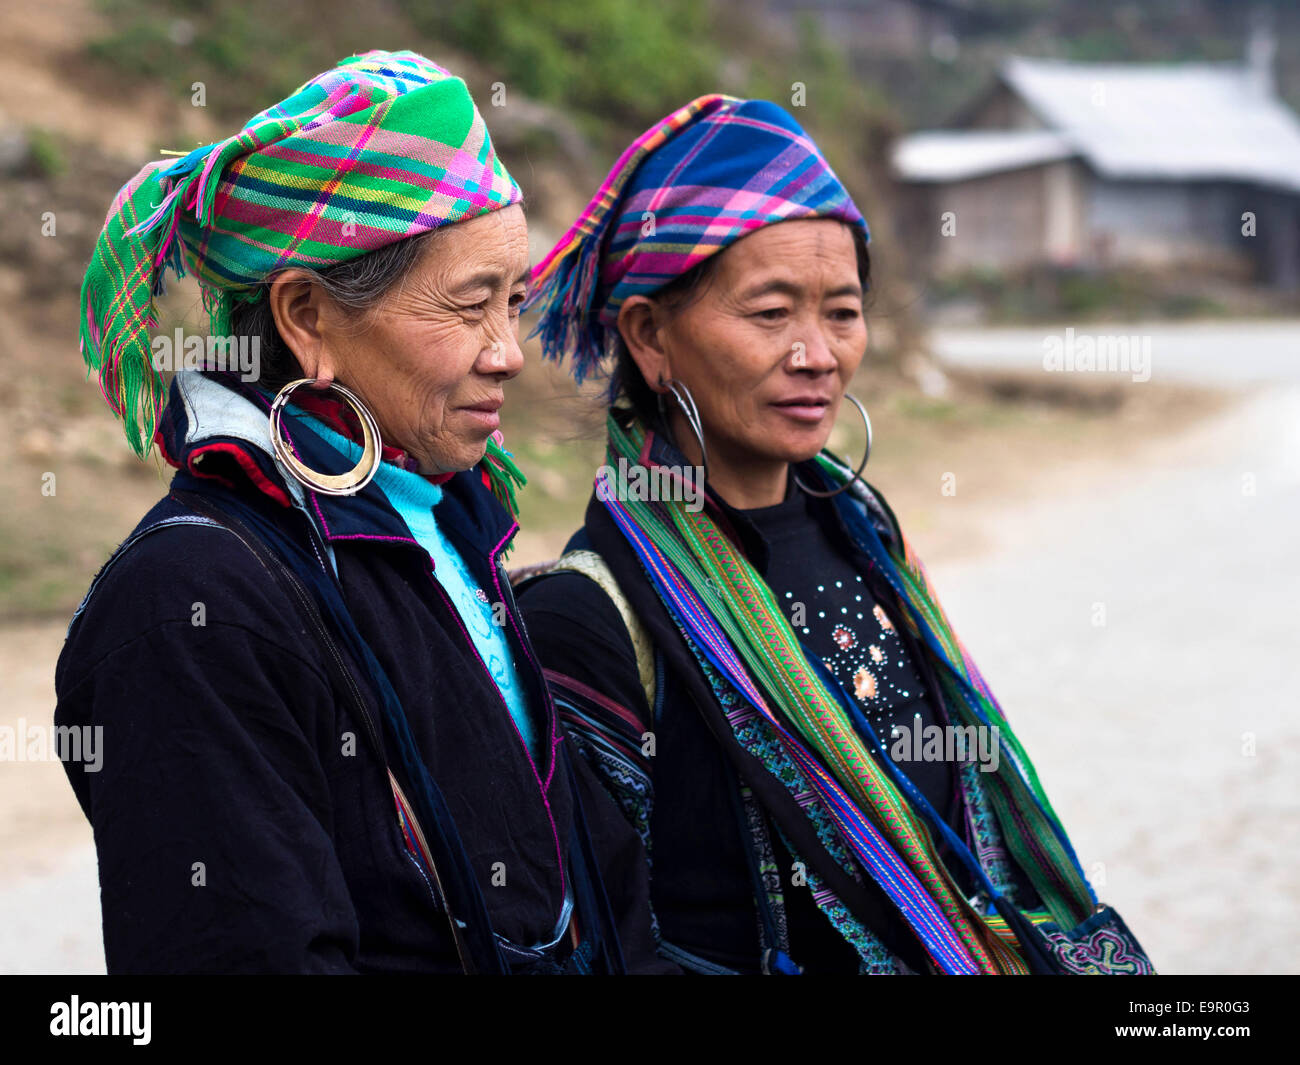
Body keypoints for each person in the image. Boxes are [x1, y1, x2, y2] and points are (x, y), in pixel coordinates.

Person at [55, 50, 666, 974]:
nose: (508, 353)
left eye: (516, 302)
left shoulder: (450, 524)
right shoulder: (190, 603)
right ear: (306, 315)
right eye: (469, 305)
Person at [516, 95, 1154, 974]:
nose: (817, 353)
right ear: (651, 336)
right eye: (772, 313)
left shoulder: (863, 534)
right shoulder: (588, 621)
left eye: (842, 314)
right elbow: (606, 949)